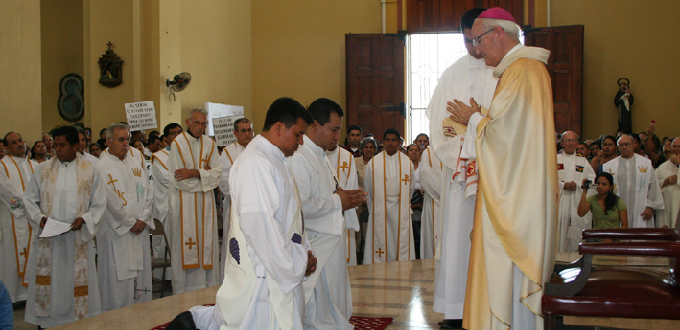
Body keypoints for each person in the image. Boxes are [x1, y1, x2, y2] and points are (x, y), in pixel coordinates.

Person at [448, 7, 558, 329]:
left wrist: (474, 120)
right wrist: (482, 117)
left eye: (478, 40)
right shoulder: (521, 70)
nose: (477, 50)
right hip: (517, 190)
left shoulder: (523, 69)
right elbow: (513, 130)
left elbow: (505, 136)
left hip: (516, 200)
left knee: (505, 270)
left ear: (499, 33)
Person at [210, 97, 317, 330]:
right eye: (298, 134)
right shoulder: (255, 163)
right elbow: (262, 228)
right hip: (265, 278)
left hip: (280, 268)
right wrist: (298, 261)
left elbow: (291, 219)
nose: (301, 141)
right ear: (279, 127)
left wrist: (305, 251)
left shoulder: (274, 158)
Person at [424, 7, 497, 328]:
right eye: (469, 42)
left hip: (497, 174)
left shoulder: (505, 71)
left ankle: (494, 307)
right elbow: (440, 128)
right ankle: (456, 310)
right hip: (460, 174)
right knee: (458, 240)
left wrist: (479, 129)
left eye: (478, 41)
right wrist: (465, 158)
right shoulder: (452, 74)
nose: (475, 49)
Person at [289, 98, 364, 330]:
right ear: (314, 126)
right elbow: (300, 206)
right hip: (317, 242)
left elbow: (329, 192)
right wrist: (337, 201)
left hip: (331, 241)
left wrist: (345, 199)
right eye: (333, 129)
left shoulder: (320, 156)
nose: (336, 136)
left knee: (332, 303)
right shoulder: (299, 158)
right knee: (318, 308)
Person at [23, 125, 106, 327]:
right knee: (51, 283)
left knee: (75, 283)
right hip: (49, 240)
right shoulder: (42, 170)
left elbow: (99, 203)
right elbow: (29, 199)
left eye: (63, 145)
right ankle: (48, 322)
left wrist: (85, 219)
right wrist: (40, 218)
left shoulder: (91, 170)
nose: (57, 149)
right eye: (56, 145)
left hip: (77, 240)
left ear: (76, 145)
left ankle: (77, 322)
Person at [95, 123, 154, 312]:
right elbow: (108, 201)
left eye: (127, 139)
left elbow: (148, 192)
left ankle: (141, 318)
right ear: (108, 141)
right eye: (121, 139)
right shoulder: (101, 166)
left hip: (139, 232)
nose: (125, 143)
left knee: (140, 279)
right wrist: (130, 223)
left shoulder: (135, 163)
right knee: (117, 281)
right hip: (117, 233)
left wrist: (143, 219)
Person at [167, 108, 223, 294]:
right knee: (187, 248)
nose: (200, 127)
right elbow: (178, 180)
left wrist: (195, 173)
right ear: (188, 122)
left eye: (204, 123)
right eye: (197, 123)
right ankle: (183, 297)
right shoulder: (178, 144)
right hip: (185, 205)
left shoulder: (210, 144)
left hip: (206, 205)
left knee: (207, 248)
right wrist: (205, 176)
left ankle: (208, 293)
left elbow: (218, 174)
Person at [363, 128, 415, 264]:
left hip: (400, 208)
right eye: (388, 140)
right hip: (380, 208)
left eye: (394, 140)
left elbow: (410, 188)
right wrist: (374, 208)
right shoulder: (374, 163)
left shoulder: (407, 162)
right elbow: (368, 188)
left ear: (399, 142)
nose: (390, 143)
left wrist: (403, 203)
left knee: (400, 241)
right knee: (380, 241)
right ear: (383, 142)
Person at [0, 132, 37, 303]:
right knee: (13, 257)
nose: (20, 144)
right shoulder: (2, 166)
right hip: (14, 218)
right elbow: (7, 192)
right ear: (6, 148)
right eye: (14, 142)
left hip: (35, 219)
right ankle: (14, 296)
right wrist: (29, 206)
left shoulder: (35, 165)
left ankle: (33, 293)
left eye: (21, 140)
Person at [218, 117, 253, 281]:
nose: (248, 134)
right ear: (235, 133)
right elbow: (224, 182)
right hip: (236, 207)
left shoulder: (257, 149)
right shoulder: (228, 152)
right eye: (243, 131)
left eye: (249, 130)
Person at [602, 134, 664, 228]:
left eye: (627, 144)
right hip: (618, 207)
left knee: (639, 237)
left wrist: (650, 206)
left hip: (641, 207)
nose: (624, 147)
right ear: (618, 147)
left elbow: (653, 185)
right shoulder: (609, 166)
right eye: (621, 145)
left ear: (633, 145)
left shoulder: (645, 163)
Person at [150, 123, 182, 281]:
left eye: (179, 132)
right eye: (173, 133)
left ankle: (182, 276)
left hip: (185, 204)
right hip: (167, 206)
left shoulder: (188, 153)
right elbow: (167, 179)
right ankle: (168, 279)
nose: (177, 136)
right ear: (167, 138)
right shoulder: (160, 157)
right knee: (169, 241)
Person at [556, 131, 596, 252]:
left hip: (577, 200)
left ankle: (578, 256)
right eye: (568, 140)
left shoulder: (582, 161)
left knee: (577, 227)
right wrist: (562, 185)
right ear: (562, 143)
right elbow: (547, 179)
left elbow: (592, 180)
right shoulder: (555, 159)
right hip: (561, 201)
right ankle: (558, 258)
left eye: (573, 140)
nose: (571, 143)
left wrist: (577, 185)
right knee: (559, 228)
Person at [326, 139, 361, 266]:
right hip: (324, 211)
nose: (334, 136)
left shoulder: (347, 156)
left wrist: (344, 202)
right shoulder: (315, 155)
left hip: (344, 210)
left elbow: (352, 185)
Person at [355, 137, 377, 262]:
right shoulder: (355, 161)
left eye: (371, 147)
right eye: (366, 147)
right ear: (362, 149)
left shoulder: (378, 162)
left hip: (374, 200)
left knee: (372, 230)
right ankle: (358, 256)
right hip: (359, 200)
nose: (369, 150)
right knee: (358, 233)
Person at [418, 144, 442, 260]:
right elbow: (425, 177)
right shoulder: (428, 153)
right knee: (433, 237)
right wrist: (443, 196)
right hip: (433, 200)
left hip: (453, 202)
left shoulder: (456, 149)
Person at [655, 137, 680, 228]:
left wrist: (679, 164)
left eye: (679, 146)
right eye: (674, 146)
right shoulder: (662, 167)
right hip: (665, 209)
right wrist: (664, 182)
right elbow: (652, 184)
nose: (676, 149)